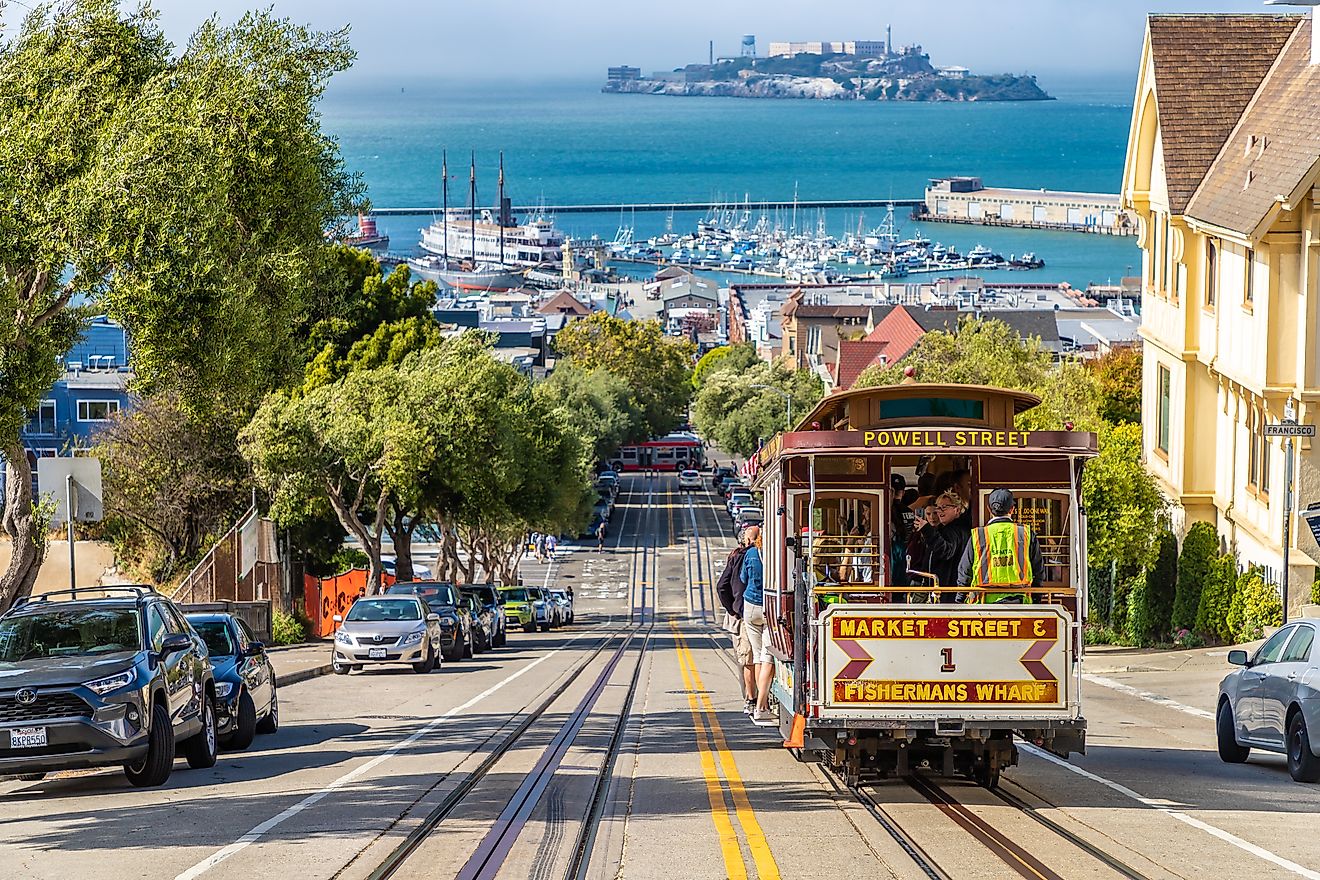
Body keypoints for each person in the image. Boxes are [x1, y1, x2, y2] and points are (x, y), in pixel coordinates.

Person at [957, 488, 1045, 604]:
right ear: (1012, 509)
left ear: (989, 509)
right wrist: (1036, 598)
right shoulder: (1026, 534)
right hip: (1021, 602)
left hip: (983, 603)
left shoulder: (978, 535)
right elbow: (1038, 571)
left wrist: (960, 598)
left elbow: (965, 572)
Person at [715, 531, 755, 713]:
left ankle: (750, 698)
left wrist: (732, 609)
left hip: (741, 614)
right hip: (748, 613)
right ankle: (754, 697)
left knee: (745, 660)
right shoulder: (758, 555)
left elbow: (722, 586)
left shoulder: (736, 557)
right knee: (755, 658)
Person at [740, 526, 775, 726]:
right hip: (768, 607)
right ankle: (762, 706)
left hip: (750, 607)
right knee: (768, 656)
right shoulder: (774, 554)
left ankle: (760, 705)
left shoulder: (751, 553)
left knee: (757, 653)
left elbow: (743, 578)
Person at [921, 490, 971, 602]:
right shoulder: (949, 529)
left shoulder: (953, 530)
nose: (940, 511)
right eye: (938, 507)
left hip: (948, 588)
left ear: (957, 509)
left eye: (944, 507)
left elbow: (946, 551)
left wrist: (927, 531)